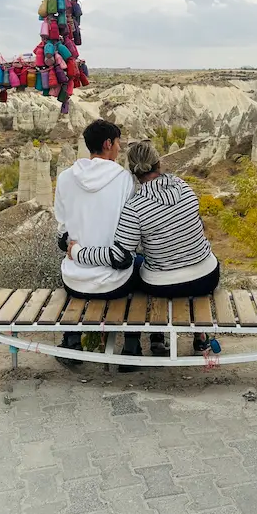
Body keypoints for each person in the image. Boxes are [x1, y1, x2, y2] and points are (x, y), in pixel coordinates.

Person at [68, 140, 219, 357]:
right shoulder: (184, 187)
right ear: (159, 163)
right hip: (207, 277)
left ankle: (153, 337)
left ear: (134, 173)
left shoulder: (135, 207)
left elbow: (119, 256)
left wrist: (78, 252)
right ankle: (200, 337)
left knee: (135, 266)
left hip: (164, 285)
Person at [54, 119, 139, 365]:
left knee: (69, 261)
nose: (119, 149)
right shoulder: (124, 179)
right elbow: (131, 233)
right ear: (107, 143)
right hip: (116, 281)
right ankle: (131, 350)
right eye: (118, 144)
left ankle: (71, 342)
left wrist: (77, 250)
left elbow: (62, 234)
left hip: (74, 280)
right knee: (140, 267)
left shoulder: (65, 178)